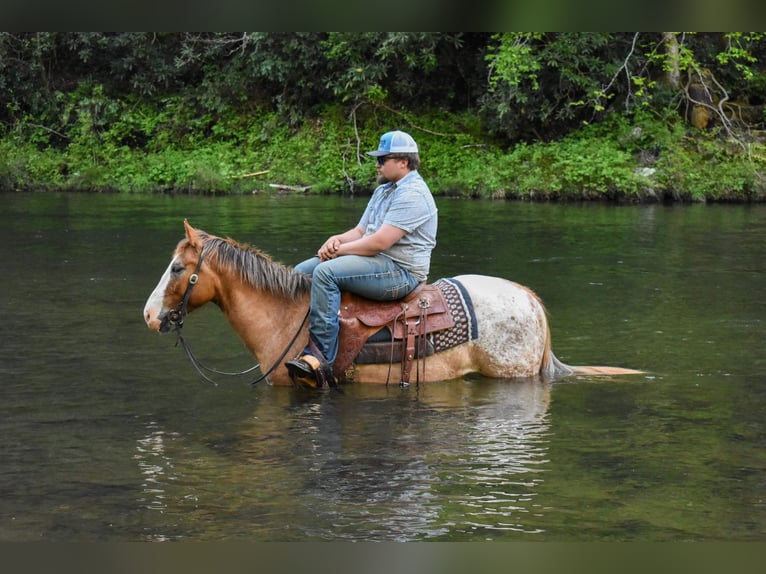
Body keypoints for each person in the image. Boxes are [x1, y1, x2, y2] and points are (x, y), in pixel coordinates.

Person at [286, 130, 438, 387]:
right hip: (377, 262)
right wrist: (335, 240)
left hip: (401, 272)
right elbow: (360, 232)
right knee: (301, 272)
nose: (377, 164)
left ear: (404, 162)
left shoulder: (413, 194)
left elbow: (379, 242)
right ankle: (294, 340)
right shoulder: (384, 191)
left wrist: (337, 253)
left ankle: (318, 359)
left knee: (326, 273)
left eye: (382, 159)